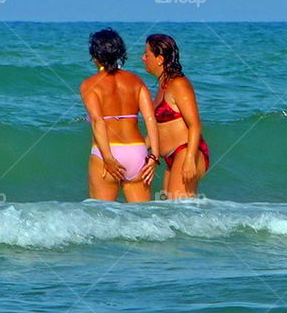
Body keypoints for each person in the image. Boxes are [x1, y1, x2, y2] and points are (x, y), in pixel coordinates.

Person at [80, 28, 160, 202]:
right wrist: (154, 155)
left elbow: (97, 122)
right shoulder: (136, 81)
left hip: (107, 153)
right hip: (138, 152)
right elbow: (150, 118)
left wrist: (108, 158)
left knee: (102, 218)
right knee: (141, 218)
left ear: (95, 55)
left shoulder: (89, 85)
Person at [142, 34, 210, 200]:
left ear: (159, 59)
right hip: (171, 158)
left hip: (186, 151)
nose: (143, 58)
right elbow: (157, 130)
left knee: (180, 209)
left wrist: (189, 160)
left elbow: (195, 125)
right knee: (170, 212)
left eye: (147, 54)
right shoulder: (161, 88)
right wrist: (137, 149)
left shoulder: (179, 84)